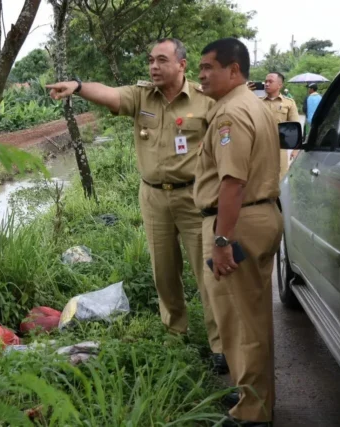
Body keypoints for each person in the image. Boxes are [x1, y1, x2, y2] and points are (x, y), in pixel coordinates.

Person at [46, 38, 226, 373]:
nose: (154, 66)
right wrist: (78, 86)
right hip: (154, 197)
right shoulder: (142, 96)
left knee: (208, 274)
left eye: (162, 60)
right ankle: (175, 332)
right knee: (163, 270)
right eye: (150, 60)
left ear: (181, 65)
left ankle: (220, 345)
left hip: (194, 197)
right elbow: (110, 94)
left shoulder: (204, 101)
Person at [195, 37, 283, 427]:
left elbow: (232, 182)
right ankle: (255, 397)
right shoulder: (253, 104)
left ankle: (253, 412)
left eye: (209, 67)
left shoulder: (231, 113)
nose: (201, 75)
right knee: (253, 315)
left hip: (238, 221)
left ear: (234, 70)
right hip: (257, 216)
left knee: (239, 321)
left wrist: (221, 240)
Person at [248, 72, 300, 178]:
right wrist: (246, 93)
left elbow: (295, 127)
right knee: (258, 180)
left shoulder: (289, 103)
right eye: (266, 81)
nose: (266, 84)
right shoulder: (256, 102)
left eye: (270, 81)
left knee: (279, 180)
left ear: (280, 85)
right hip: (259, 149)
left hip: (279, 149)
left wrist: (296, 149)